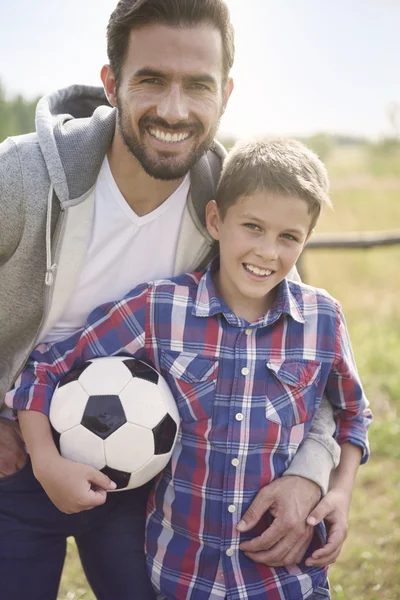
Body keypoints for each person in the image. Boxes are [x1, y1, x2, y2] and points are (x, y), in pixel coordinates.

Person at [0, 0, 345, 598]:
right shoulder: (20, 178)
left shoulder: (239, 207)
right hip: (13, 461)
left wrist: (317, 479)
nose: (174, 109)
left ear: (226, 94)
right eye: (152, 80)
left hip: (154, 474)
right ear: (112, 83)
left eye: (198, 86)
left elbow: (305, 360)